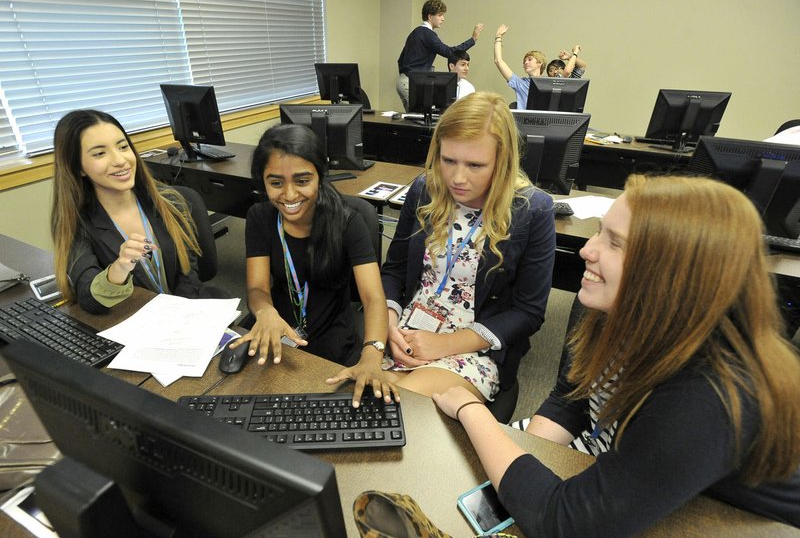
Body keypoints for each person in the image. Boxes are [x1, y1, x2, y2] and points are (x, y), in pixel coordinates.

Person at [433, 174, 800, 536]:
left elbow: (564, 526)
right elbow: (573, 396)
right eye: (599, 232)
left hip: (725, 519)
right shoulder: (626, 312)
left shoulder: (709, 394)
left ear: (669, 274)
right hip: (625, 453)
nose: (586, 250)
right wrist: (527, 453)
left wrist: (472, 410)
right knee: (458, 472)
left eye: (615, 243)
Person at [380, 92, 556, 402]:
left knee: (399, 404)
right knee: (363, 398)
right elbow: (394, 269)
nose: (458, 178)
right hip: (405, 331)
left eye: (475, 165)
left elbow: (529, 312)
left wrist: (444, 344)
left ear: (502, 163)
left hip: (473, 347)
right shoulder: (425, 189)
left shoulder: (531, 209)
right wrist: (389, 320)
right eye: (448, 161)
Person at [233, 124, 397, 406]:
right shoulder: (260, 217)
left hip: (332, 335)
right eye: (276, 183)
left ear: (320, 177)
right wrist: (265, 312)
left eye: (302, 180)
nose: (289, 195)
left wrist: (372, 354)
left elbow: (373, 298)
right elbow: (258, 288)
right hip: (276, 329)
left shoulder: (348, 220)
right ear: (262, 182)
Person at [51, 109, 218, 314]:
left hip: (182, 315)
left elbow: (188, 274)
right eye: (100, 153)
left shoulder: (170, 202)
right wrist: (119, 268)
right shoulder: (77, 222)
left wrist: (179, 316)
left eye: (123, 147)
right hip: (130, 321)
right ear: (78, 168)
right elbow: (89, 299)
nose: (120, 160)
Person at [396, 0, 483, 112]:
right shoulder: (428, 34)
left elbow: (400, 60)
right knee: (419, 119)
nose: (443, 18)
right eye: (440, 15)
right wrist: (473, 39)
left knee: (417, 118)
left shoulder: (415, 32)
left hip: (404, 81)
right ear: (430, 16)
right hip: (410, 83)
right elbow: (450, 52)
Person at [493, 24, 546, 109]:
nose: (525, 62)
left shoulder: (549, 83)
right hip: (525, 121)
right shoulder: (521, 84)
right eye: (524, 61)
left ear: (539, 63)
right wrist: (498, 38)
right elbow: (498, 61)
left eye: (529, 59)